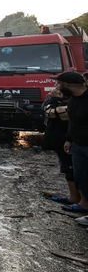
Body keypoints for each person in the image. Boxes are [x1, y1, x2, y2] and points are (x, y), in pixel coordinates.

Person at [43, 88, 86, 209]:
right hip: (63, 139)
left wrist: (55, 100)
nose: (55, 90)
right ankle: (75, 198)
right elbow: (47, 110)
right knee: (68, 168)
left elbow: (53, 112)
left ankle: (82, 201)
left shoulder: (76, 101)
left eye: (58, 87)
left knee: (76, 171)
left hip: (73, 140)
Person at [57, 72, 88, 219]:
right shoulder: (73, 99)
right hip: (77, 145)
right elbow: (72, 122)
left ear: (66, 85)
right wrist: (68, 139)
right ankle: (85, 205)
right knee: (80, 177)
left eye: (59, 84)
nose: (58, 87)